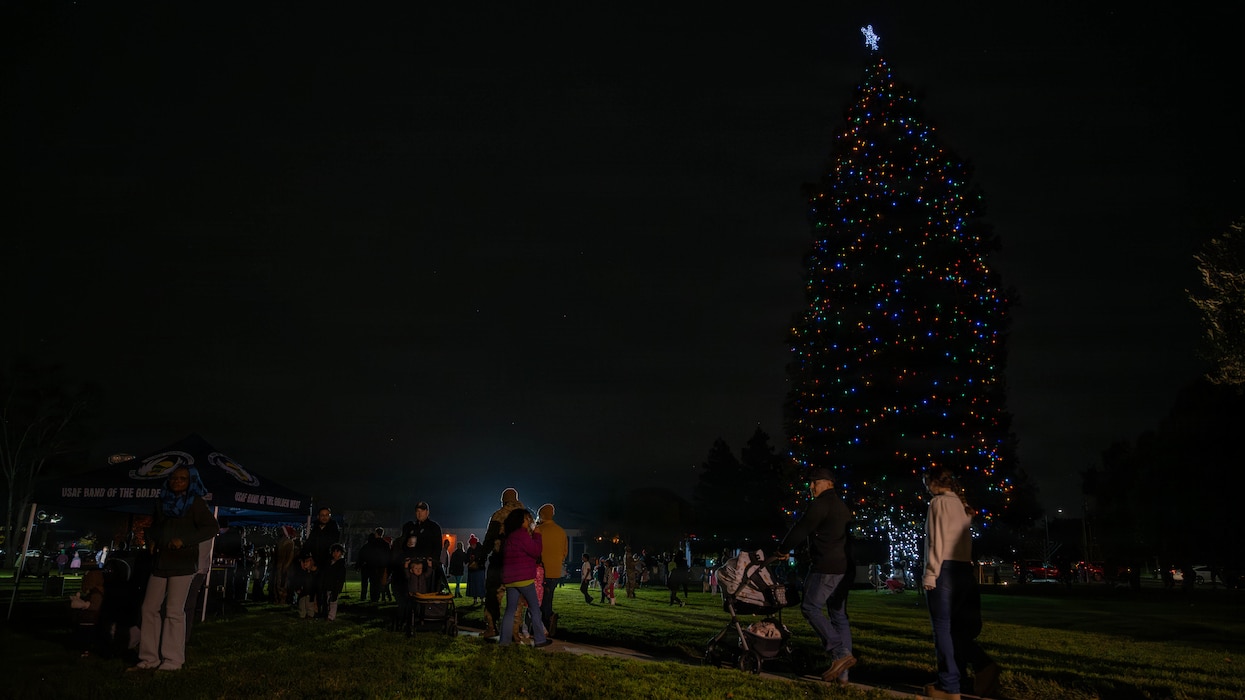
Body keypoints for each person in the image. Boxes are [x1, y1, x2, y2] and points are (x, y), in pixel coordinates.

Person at [922, 467, 1000, 700]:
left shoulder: (938, 503)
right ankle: (974, 671)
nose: (926, 488)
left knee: (943, 629)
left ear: (934, 483)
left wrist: (930, 573)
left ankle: (949, 685)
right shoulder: (961, 506)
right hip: (964, 569)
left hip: (944, 570)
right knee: (956, 630)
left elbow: (936, 542)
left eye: (926, 483)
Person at [131, 466, 219, 671]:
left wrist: (185, 540)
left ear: (191, 481)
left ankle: (172, 660)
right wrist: (151, 540)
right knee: (149, 608)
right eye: (174, 478)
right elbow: (155, 526)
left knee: (173, 611)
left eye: (183, 478)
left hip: (182, 563)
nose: (177, 481)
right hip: (161, 561)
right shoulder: (163, 501)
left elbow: (211, 528)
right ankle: (149, 658)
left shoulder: (195, 503)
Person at [775, 466, 855, 686]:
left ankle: (839, 652)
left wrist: (782, 550)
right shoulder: (841, 506)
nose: (811, 487)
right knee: (838, 616)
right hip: (843, 568)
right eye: (810, 483)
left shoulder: (821, 504)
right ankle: (843, 675)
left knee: (809, 607)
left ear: (829, 483)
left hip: (826, 567)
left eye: (815, 482)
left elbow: (802, 528)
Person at [498, 508, 550, 647]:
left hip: (510, 579)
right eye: (527, 519)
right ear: (521, 520)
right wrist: (537, 536)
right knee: (534, 608)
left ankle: (504, 641)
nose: (529, 521)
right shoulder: (522, 535)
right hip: (524, 578)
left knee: (510, 610)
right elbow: (536, 551)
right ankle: (539, 639)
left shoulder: (510, 537)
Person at [482, 488, 525, 637]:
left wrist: (480, 558)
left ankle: (491, 628)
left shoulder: (499, 515)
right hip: (520, 565)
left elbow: (489, 540)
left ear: (504, 500)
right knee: (516, 600)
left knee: (494, 596)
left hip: (500, 562)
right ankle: (514, 632)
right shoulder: (527, 517)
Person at [534, 503, 567, 636]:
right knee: (548, 598)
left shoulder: (538, 530)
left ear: (541, 515)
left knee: (538, 600)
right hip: (555, 571)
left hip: (540, 571)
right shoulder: (561, 531)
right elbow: (565, 552)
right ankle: (547, 623)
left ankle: (545, 624)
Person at [69, 569, 106, 657]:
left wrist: (84, 605)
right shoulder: (95, 593)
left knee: (87, 635)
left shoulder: (96, 594)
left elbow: (95, 606)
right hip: (89, 619)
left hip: (91, 620)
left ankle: (87, 649)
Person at [357, 527, 389, 603]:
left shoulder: (371, 544)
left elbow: (362, 554)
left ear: (376, 533)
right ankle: (377, 597)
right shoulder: (385, 544)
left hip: (371, 565)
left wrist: (359, 565)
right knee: (378, 582)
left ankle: (368, 596)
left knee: (370, 582)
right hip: (381, 565)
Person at [322, 543, 347, 621]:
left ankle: (331, 616)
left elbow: (341, 578)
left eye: (337, 552)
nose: (335, 554)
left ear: (341, 553)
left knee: (333, 601)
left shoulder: (341, 565)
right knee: (327, 600)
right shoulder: (329, 563)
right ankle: (326, 614)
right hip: (328, 584)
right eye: (334, 552)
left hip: (335, 586)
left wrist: (338, 588)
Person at [465, 534, 486, 604]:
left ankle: (482, 598)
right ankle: (475, 599)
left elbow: (484, 558)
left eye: (472, 544)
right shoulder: (470, 550)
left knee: (480, 584)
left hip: (479, 569)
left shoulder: (480, 549)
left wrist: (477, 561)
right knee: (474, 585)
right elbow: (466, 559)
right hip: (473, 570)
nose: (471, 546)